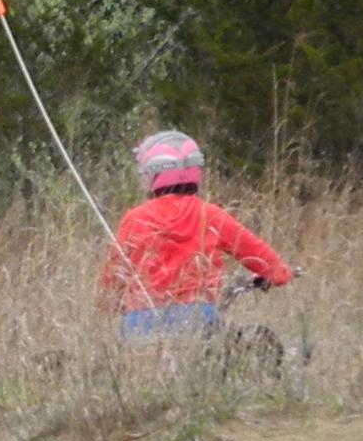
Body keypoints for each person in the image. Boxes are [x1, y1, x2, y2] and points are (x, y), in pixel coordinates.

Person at [106, 131, 291, 340]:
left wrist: (119, 304)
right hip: (198, 321)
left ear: (151, 172)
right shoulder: (208, 214)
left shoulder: (133, 219)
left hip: (138, 327)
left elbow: (112, 284)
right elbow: (267, 262)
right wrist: (277, 274)